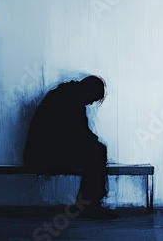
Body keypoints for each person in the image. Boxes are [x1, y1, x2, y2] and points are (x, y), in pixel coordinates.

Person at [23, 75, 118, 219]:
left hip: (41, 152)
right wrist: (92, 141)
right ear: (89, 91)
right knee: (97, 152)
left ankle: (89, 203)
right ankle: (90, 205)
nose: (91, 103)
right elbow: (75, 134)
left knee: (96, 151)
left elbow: (73, 133)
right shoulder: (71, 100)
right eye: (93, 98)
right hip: (44, 155)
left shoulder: (67, 94)